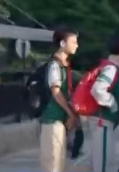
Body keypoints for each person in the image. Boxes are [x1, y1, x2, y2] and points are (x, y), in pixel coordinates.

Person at [86, 33, 119, 172]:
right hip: (103, 120)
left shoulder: (108, 66)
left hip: (102, 119)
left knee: (101, 161)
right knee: (103, 163)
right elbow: (97, 89)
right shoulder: (111, 69)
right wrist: (113, 104)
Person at [40, 29, 79, 172]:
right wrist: (70, 113)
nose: (76, 45)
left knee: (59, 162)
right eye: (73, 42)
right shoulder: (54, 65)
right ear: (62, 43)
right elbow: (56, 92)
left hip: (59, 120)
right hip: (52, 119)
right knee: (53, 163)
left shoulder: (64, 66)